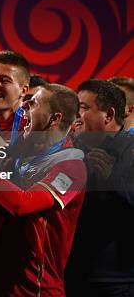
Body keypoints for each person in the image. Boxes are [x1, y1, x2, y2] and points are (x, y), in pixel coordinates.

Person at [0, 83, 86, 296]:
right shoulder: (27, 147)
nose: (24, 106)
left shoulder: (71, 167)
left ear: (55, 119)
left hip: (35, 289)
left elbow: (22, 203)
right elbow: (3, 151)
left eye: (33, 103)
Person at [66, 79, 134, 296]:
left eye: (84, 108)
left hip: (115, 281)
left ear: (109, 115)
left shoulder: (130, 151)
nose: (76, 115)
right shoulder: (72, 148)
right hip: (72, 274)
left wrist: (110, 180)